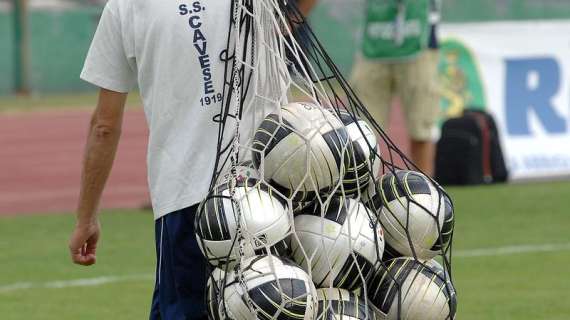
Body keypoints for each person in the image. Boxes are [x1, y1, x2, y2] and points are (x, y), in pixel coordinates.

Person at [67, 0, 318, 319]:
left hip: (188, 200)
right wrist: (286, 22)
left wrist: (85, 218)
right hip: (272, 190)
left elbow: (105, 125)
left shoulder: (125, 7)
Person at [351, 0, 440, 175]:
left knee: (421, 130)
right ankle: (364, 196)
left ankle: (427, 196)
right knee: (361, 134)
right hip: (373, 46)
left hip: (418, 43)